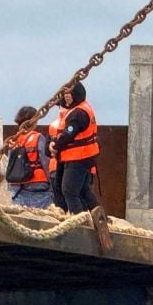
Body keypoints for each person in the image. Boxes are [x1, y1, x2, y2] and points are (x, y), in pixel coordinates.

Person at [50, 82, 99, 214]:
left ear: (76, 94)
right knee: (83, 189)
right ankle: (99, 216)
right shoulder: (80, 109)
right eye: (65, 94)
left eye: (69, 94)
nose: (66, 97)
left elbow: (69, 134)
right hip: (81, 157)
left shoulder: (78, 113)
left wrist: (56, 146)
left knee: (69, 191)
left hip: (78, 157)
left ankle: (79, 221)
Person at [7, 106, 52, 208]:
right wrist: (53, 183)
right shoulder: (38, 138)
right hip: (38, 185)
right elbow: (45, 162)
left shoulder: (13, 140)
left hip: (17, 186)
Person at [46, 106, 68, 210]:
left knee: (59, 203)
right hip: (72, 168)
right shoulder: (80, 122)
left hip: (54, 169)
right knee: (74, 198)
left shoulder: (53, 125)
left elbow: (46, 151)